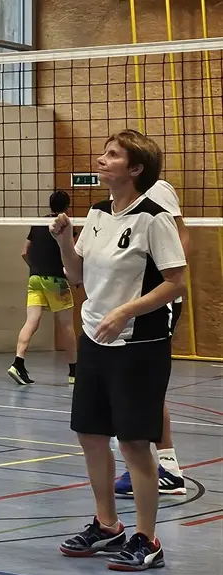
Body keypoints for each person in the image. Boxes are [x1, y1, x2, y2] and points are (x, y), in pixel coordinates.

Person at [52, 130, 186, 571]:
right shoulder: (96, 214)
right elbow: (77, 276)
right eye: (104, 153)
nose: (102, 159)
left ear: (135, 169)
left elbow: (175, 282)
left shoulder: (154, 217)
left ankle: (148, 539)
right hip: (95, 338)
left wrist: (126, 311)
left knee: (132, 442)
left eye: (112, 155)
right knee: (91, 435)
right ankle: (107, 525)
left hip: (138, 344)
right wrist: (64, 240)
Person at [114, 174, 191, 498]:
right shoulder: (113, 205)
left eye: (113, 153)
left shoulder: (157, 190)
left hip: (157, 305)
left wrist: (164, 282)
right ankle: (161, 466)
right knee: (137, 387)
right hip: (127, 304)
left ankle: (166, 469)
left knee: (144, 386)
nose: (102, 160)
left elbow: (181, 236)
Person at [8, 189, 77, 388]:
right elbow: (69, 253)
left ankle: (18, 363)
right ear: (67, 206)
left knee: (31, 321)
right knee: (66, 325)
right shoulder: (66, 224)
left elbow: (24, 252)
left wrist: (37, 269)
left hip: (35, 278)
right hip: (55, 280)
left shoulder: (38, 223)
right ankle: (74, 372)